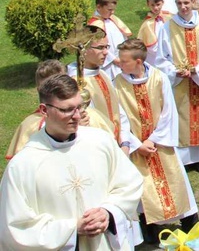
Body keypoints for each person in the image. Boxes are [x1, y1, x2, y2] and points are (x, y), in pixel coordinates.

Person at [0, 74, 144, 250]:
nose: (77, 116)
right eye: (67, 110)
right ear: (44, 110)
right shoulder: (23, 165)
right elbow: (15, 227)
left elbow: (130, 183)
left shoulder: (101, 142)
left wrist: (108, 212)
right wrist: (73, 228)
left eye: (79, 107)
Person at [115, 39, 199, 243]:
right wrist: (136, 144)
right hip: (137, 147)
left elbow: (168, 113)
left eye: (124, 60)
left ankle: (190, 223)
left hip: (160, 143)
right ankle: (150, 229)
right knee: (144, 189)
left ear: (138, 61)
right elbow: (120, 118)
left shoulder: (158, 78)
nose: (119, 63)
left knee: (177, 182)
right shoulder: (118, 83)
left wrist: (154, 138)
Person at [155, 0, 199, 171]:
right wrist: (175, 71)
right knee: (181, 118)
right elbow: (161, 58)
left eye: (186, 2)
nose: (183, 7)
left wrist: (196, 70)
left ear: (193, 2)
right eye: (179, 3)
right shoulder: (168, 28)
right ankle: (184, 160)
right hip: (179, 83)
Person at [89, 0, 132, 81]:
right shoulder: (95, 25)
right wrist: (114, 60)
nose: (112, 12)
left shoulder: (111, 19)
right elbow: (98, 47)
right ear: (98, 7)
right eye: (109, 10)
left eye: (113, 9)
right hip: (108, 65)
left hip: (121, 60)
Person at [138, 0, 172, 66]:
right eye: (152, 5)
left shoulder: (170, 17)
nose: (155, 8)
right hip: (155, 59)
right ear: (148, 4)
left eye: (158, 4)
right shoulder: (147, 24)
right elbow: (152, 48)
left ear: (163, 2)